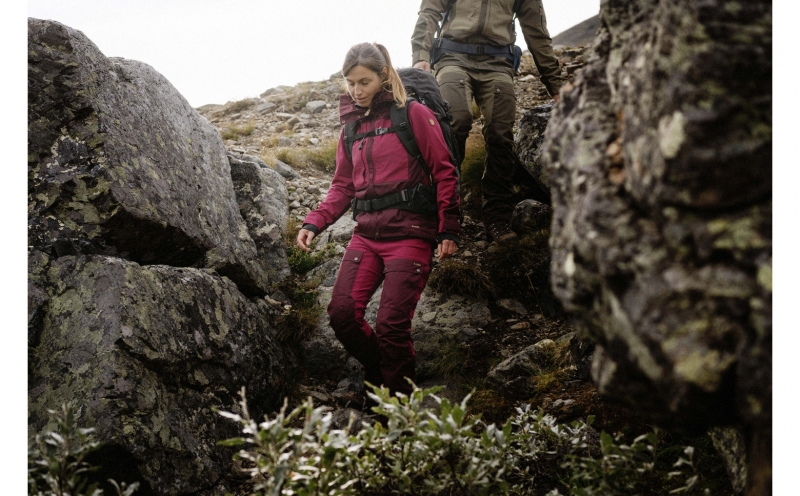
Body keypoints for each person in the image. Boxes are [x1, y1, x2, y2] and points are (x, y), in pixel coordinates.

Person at [296, 42, 461, 398]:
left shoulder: (413, 114)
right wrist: (314, 222)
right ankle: (381, 377)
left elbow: (445, 172)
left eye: (364, 82)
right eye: (350, 83)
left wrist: (449, 227)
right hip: (366, 235)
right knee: (342, 314)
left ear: (383, 76)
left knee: (391, 327)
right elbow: (343, 185)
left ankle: (396, 413)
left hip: (410, 233)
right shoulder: (350, 127)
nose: (356, 91)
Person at [411, 0, 565, 243]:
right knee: (455, 122)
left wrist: (555, 85)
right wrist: (421, 55)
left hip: (498, 63)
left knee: (500, 134)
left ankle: (497, 216)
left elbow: (536, 32)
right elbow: (429, 11)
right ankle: (445, 209)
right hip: (452, 57)